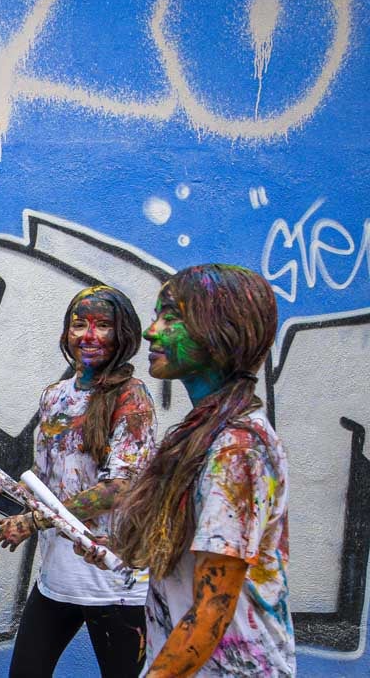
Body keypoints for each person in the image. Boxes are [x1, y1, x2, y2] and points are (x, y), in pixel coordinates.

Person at [87, 264, 293, 676]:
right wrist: (108, 545)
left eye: (172, 317)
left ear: (220, 333)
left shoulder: (237, 448)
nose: (151, 331)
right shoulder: (198, 433)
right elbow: (184, 558)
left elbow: (212, 610)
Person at [0, 286, 157, 677]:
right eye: (78, 324)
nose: (88, 336)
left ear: (123, 334)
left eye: (102, 326)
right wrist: (18, 495)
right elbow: (50, 478)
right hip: (57, 579)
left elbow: (119, 489)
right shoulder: (55, 396)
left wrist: (32, 522)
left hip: (115, 582)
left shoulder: (132, 399)